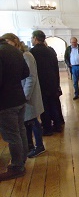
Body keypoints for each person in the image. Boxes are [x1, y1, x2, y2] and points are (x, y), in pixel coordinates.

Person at [1, 33, 45, 158]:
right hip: (22, 94)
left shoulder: (26, 55)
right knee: (25, 124)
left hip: (27, 95)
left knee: (32, 121)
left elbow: (31, 77)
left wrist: (25, 95)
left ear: (15, 41)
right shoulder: (19, 54)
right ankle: (28, 147)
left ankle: (39, 146)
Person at [0, 36, 29, 181]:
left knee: (12, 135)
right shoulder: (16, 51)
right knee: (20, 131)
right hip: (18, 97)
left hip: (5, 101)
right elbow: (26, 73)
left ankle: (17, 166)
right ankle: (22, 160)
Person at [30, 30, 62, 135]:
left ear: (35, 38)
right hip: (52, 83)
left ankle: (47, 129)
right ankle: (57, 126)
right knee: (54, 105)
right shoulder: (50, 51)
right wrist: (57, 84)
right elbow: (56, 69)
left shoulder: (32, 52)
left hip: (41, 84)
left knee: (44, 107)